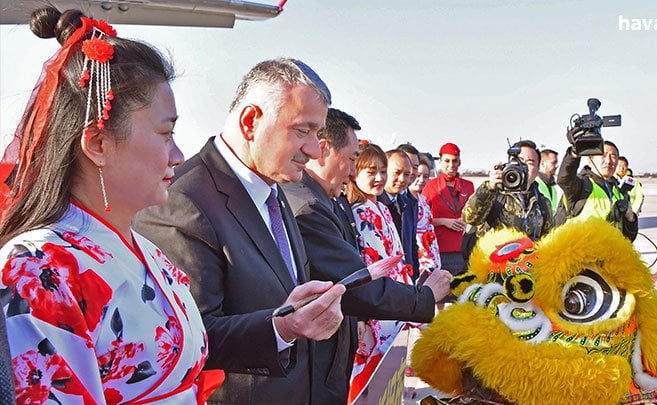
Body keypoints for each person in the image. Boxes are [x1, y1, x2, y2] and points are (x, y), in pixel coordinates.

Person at [0, 8, 220, 403]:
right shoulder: (36, 268)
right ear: (98, 144)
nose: (178, 155)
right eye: (165, 133)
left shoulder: (145, 250)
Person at [135, 58, 346, 404]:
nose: (313, 150)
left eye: (318, 134)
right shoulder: (183, 201)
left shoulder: (274, 189)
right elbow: (188, 339)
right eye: (302, 131)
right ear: (251, 122)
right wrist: (282, 328)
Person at [281, 109, 449, 404]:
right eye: (351, 160)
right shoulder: (307, 206)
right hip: (319, 356)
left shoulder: (327, 201)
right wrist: (424, 297)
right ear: (323, 151)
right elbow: (355, 284)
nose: (351, 172)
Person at [345, 143, 436, 400]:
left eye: (382, 171)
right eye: (371, 171)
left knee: (388, 376)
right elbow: (371, 264)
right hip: (379, 307)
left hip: (396, 298)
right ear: (355, 172)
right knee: (370, 380)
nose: (379, 178)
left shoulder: (383, 207)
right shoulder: (360, 212)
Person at [463, 140, 554, 251]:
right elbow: (470, 218)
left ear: (538, 168)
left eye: (530, 163)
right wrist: (489, 187)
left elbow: (549, 241)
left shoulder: (542, 203)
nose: (523, 166)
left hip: (529, 265)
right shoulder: (494, 193)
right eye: (519, 161)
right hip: (493, 264)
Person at [557, 140, 638, 241]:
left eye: (613, 156)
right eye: (603, 155)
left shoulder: (619, 192)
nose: (608, 161)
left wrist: (631, 218)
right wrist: (575, 152)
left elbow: (629, 238)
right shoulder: (581, 185)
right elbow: (564, 179)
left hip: (612, 253)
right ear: (590, 160)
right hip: (581, 253)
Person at [422, 143, 474, 275]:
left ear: (459, 162)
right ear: (440, 161)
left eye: (455, 161)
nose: (451, 165)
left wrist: (466, 220)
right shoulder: (429, 186)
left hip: (464, 249)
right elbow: (422, 219)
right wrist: (444, 221)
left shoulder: (468, 186)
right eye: (447, 161)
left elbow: (475, 214)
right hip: (440, 249)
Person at [379, 149, 420, 278]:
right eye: (397, 173)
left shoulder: (409, 204)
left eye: (407, 174)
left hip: (407, 279)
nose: (402, 179)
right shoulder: (374, 206)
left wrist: (415, 275)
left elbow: (412, 245)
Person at [409, 154, 442, 273]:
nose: (421, 180)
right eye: (418, 175)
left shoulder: (423, 200)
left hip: (430, 253)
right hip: (416, 256)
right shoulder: (403, 201)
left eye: (426, 176)